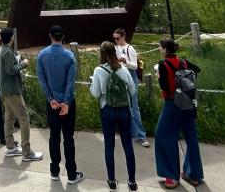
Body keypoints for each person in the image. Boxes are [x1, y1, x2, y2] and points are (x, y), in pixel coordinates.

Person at [36, 25, 84, 184]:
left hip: (52, 104)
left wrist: (51, 99)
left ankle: (54, 172)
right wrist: (66, 102)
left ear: (50, 36)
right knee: (68, 138)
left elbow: (42, 80)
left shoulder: (42, 55)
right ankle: (71, 174)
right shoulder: (69, 56)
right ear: (63, 37)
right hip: (66, 104)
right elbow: (71, 82)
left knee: (53, 137)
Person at [154, 39, 204, 189]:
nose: (158, 49)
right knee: (191, 137)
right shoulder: (183, 62)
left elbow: (165, 86)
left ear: (164, 49)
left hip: (172, 104)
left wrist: (158, 75)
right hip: (188, 103)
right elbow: (197, 70)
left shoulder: (163, 65)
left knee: (164, 136)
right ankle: (193, 174)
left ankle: (171, 175)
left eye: (159, 47)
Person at [90, 41, 138, 191]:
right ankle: (132, 181)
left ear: (101, 53)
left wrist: (91, 85)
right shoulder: (123, 69)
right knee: (128, 146)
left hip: (108, 109)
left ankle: (111, 179)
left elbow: (96, 93)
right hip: (124, 110)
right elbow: (133, 90)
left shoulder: (99, 70)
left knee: (109, 146)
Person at [0, 27, 43, 162]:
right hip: (12, 91)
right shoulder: (8, 52)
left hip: (5, 90)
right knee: (24, 118)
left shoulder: (1, 51)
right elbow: (11, 71)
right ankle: (27, 152)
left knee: (9, 118)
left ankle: (10, 147)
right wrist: (23, 63)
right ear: (11, 38)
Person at [114, 28, 150, 148]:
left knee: (134, 107)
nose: (116, 40)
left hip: (131, 77)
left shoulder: (130, 49)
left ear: (123, 37)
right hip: (121, 77)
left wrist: (126, 61)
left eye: (117, 38)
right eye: (114, 38)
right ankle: (129, 131)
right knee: (125, 107)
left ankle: (141, 135)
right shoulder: (117, 48)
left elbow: (135, 66)